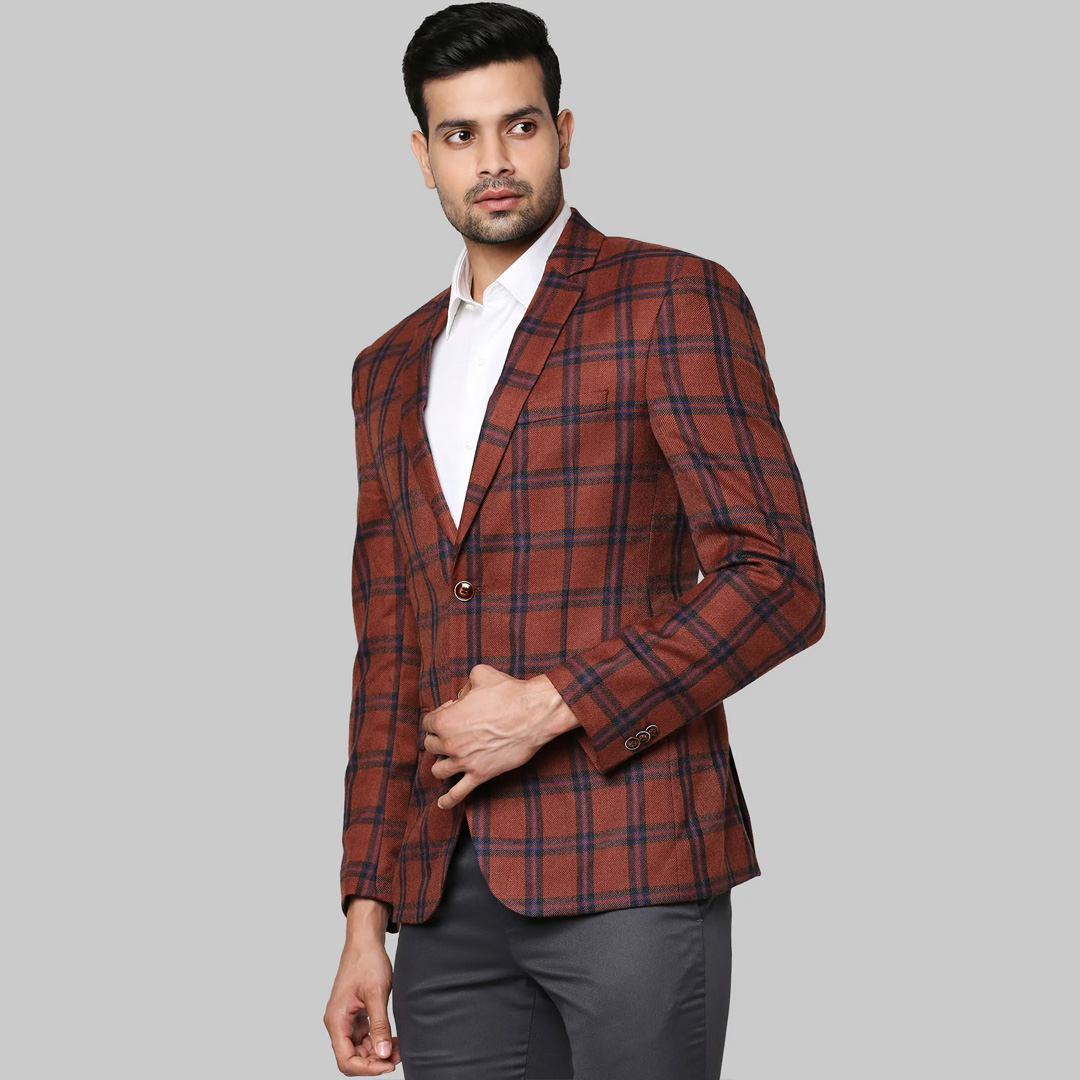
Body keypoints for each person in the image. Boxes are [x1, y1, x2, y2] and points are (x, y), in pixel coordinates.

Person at [323, 4, 826, 1077]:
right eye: (460, 135)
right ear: (422, 156)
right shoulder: (387, 369)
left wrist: (552, 704)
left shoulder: (669, 298)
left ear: (563, 132)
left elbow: (778, 579)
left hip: (630, 862)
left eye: (520, 126)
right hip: (444, 897)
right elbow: (391, 654)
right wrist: (366, 912)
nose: (493, 161)